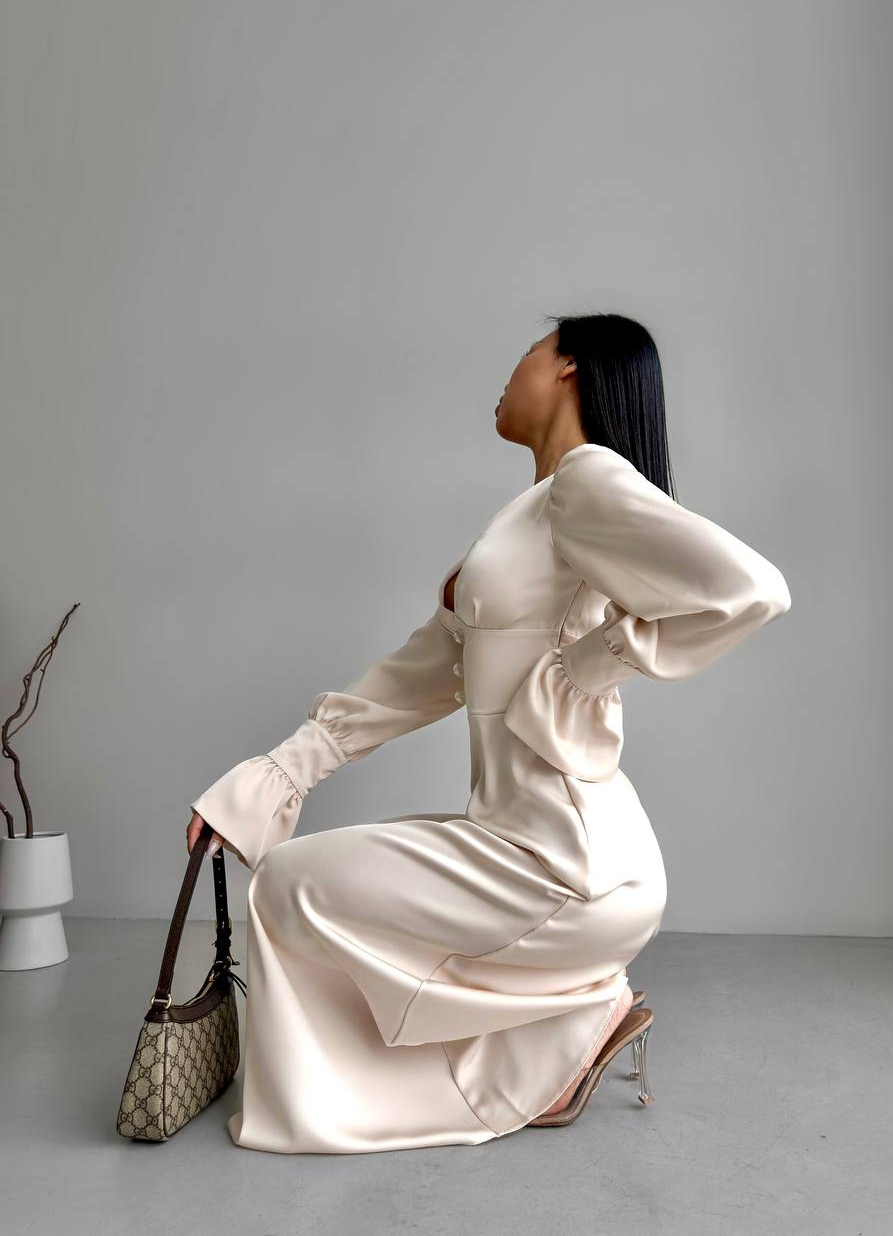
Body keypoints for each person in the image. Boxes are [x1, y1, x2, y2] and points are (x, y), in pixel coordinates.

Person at [186, 312, 791, 1153]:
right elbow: (421, 674)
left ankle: (561, 1028)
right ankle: (573, 1018)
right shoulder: (535, 514)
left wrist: (593, 661)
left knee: (289, 883)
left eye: (529, 351)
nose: (509, 373)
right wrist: (271, 779)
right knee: (307, 879)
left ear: (569, 365)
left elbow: (752, 589)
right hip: (558, 853)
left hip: (563, 869)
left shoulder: (586, 483)